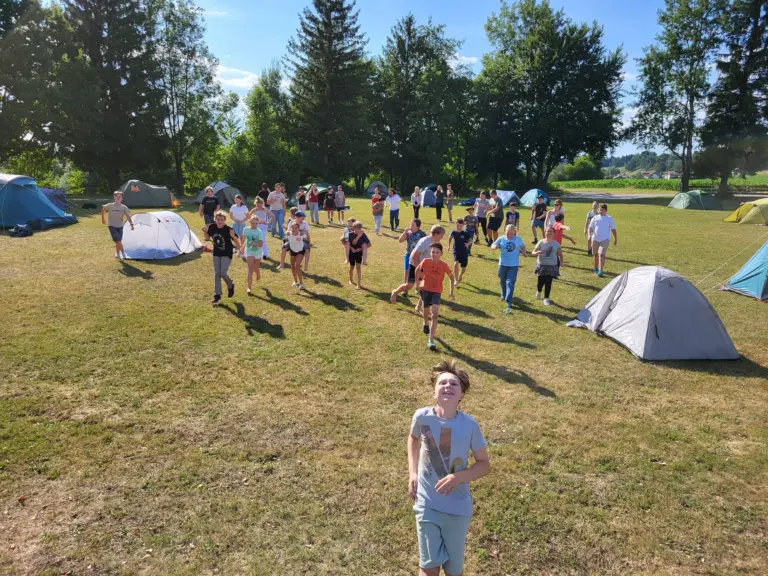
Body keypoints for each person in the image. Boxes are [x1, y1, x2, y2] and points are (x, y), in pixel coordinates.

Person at [408, 360, 490, 576]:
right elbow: (413, 438)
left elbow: (484, 464)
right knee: (428, 567)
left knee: (454, 571)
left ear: (461, 394)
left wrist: (459, 477)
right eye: (442, 383)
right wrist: (413, 473)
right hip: (427, 504)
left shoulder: (470, 425)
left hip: (457, 508)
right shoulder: (421, 417)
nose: (447, 386)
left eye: (454, 384)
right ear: (434, 392)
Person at [414, 242, 455, 350]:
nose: (434, 254)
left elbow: (451, 277)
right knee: (426, 312)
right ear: (430, 252)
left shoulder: (444, 265)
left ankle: (431, 339)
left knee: (435, 314)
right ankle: (425, 323)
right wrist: (417, 284)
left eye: (437, 252)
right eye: (432, 252)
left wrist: (451, 291)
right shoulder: (425, 261)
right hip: (425, 290)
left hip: (437, 291)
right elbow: (417, 270)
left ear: (441, 253)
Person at [391, 225, 445, 304]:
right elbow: (414, 257)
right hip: (414, 264)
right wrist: (420, 271)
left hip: (424, 266)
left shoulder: (435, 242)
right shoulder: (425, 242)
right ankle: (395, 292)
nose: (442, 237)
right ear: (436, 234)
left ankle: (421, 306)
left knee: (425, 286)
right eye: (441, 235)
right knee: (409, 286)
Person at [203, 210, 237, 305]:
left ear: (225, 220)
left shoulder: (228, 229)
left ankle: (230, 284)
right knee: (217, 274)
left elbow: (236, 241)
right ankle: (217, 295)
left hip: (227, 253)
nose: (220, 221)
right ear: (215, 219)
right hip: (216, 253)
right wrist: (205, 232)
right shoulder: (212, 227)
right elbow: (207, 237)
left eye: (222, 219)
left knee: (222, 273)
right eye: (218, 219)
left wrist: (233, 236)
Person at [491, 224, 527, 313]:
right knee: (502, 280)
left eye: (511, 233)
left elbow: (522, 246)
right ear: (505, 231)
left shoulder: (518, 239)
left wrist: (523, 252)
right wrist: (494, 247)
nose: (510, 235)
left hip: (513, 265)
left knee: (510, 282)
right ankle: (503, 294)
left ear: (514, 232)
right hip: (502, 264)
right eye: (508, 233)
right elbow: (494, 244)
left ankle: (508, 300)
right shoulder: (502, 238)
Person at [532, 226, 562, 306]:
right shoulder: (541, 242)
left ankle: (546, 298)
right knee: (540, 282)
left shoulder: (556, 244)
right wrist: (536, 253)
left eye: (551, 232)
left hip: (552, 266)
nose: (548, 233)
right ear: (545, 232)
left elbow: (560, 254)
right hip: (541, 265)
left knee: (548, 282)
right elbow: (533, 252)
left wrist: (561, 262)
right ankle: (539, 291)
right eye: (547, 231)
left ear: (554, 233)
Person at [101, 190, 134, 260]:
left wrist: (131, 224)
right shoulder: (110, 205)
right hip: (112, 226)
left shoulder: (124, 207)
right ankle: (123, 254)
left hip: (120, 226)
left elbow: (128, 216)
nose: (118, 197)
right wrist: (103, 219)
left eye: (120, 196)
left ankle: (117, 254)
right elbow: (103, 210)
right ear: (114, 197)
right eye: (116, 196)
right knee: (118, 240)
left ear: (122, 198)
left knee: (118, 241)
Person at [588, 203, 617, 277]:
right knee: (595, 254)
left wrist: (615, 238)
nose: (600, 211)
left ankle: (601, 270)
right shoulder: (595, 218)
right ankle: (595, 268)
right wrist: (590, 236)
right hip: (595, 239)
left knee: (601, 254)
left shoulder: (609, 218)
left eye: (602, 210)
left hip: (605, 239)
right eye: (600, 210)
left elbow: (613, 229)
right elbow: (590, 228)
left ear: (606, 210)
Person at [399, 218, 427, 290]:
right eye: (410, 224)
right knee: (406, 271)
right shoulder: (408, 233)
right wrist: (404, 232)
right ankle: (405, 288)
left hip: (418, 256)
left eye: (412, 225)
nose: (410, 226)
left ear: (418, 226)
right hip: (408, 254)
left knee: (418, 271)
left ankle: (418, 287)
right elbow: (400, 240)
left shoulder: (422, 234)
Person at [243, 215, 264, 293]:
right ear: (250, 222)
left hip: (258, 252)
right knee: (250, 269)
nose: (254, 225)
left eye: (256, 223)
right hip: (249, 251)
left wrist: (254, 243)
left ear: (258, 223)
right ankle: (249, 287)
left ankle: (258, 274)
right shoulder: (246, 229)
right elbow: (243, 240)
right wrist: (241, 248)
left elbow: (261, 244)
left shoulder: (259, 231)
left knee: (256, 268)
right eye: (253, 223)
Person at [448, 218, 472, 285]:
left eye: (460, 226)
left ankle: (460, 275)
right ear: (456, 224)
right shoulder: (454, 232)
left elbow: (470, 240)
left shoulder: (465, 233)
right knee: (455, 264)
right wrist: (449, 246)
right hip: (456, 250)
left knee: (463, 269)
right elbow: (450, 238)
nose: (458, 227)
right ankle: (456, 280)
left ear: (463, 226)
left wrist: (467, 244)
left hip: (464, 252)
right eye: (457, 225)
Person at [348, 222, 371, 289]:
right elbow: (348, 243)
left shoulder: (363, 235)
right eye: (356, 228)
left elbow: (369, 244)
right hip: (351, 253)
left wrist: (360, 249)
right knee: (352, 267)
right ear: (353, 228)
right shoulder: (350, 234)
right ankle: (350, 279)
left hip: (358, 253)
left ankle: (358, 284)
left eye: (359, 229)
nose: (357, 230)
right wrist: (352, 248)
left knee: (358, 268)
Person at [285, 221, 306, 289]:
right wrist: (286, 235)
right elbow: (285, 240)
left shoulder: (301, 234)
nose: (294, 229)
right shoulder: (289, 234)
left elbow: (307, 236)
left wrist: (308, 248)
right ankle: (295, 281)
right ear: (291, 228)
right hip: (292, 251)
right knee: (292, 266)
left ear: (298, 228)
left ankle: (301, 283)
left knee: (297, 266)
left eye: (296, 228)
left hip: (300, 251)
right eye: (293, 228)